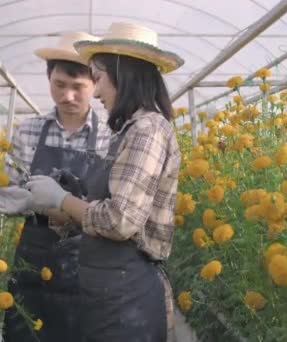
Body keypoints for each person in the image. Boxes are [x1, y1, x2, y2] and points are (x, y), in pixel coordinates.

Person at [23, 22, 184, 341]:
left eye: (97, 79)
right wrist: (64, 207)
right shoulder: (127, 131)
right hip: (109, 292)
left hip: (128, 297)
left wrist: (61, 200)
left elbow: (120, 220)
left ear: (121, 74)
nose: (95, 92)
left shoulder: (147, 131)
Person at [0, 32, 112, 342]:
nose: (67, 96)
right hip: (34, 254)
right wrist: (22, 200)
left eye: (78, 88)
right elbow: (7, 189)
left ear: (95, 85)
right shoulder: (29, 131)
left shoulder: (109, 137)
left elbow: (112, 207)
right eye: (59, 85)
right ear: (49, 79)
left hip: (87, 261)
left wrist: (64, 205)